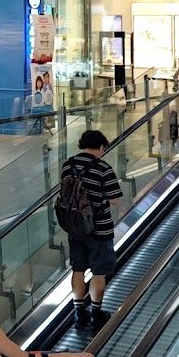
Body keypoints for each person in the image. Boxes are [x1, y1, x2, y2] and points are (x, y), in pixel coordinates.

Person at [61, 130, 124, 331]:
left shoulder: (68, 165)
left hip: (75, 227)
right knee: (99, 272)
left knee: (78, 269)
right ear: (101, 147)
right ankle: (96, 314)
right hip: (99, 229)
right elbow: (115, 199)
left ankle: (79, 314)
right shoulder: (103, 168)